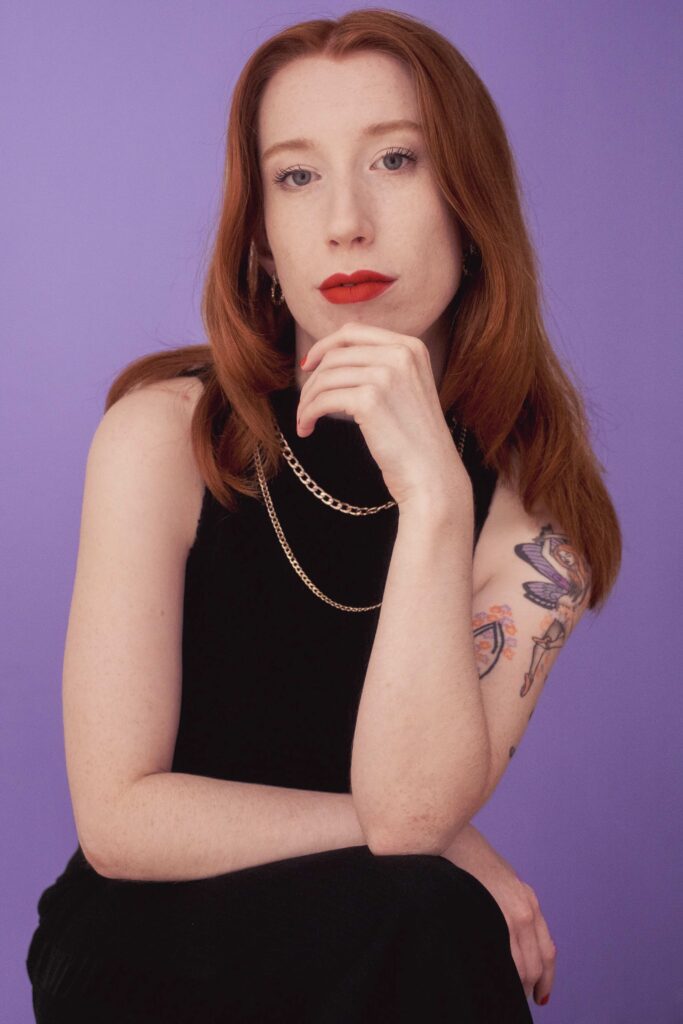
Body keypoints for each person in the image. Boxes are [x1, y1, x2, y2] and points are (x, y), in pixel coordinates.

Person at [25, 8, 622, 1022]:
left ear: (467, 204)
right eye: (295, 174)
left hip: (387, 927)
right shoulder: (163, 437)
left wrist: (433, 495)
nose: (344, 219)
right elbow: (120, 820)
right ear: (259, 233)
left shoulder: (534, 531)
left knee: (421, 911)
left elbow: (406, 817)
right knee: (430, 901)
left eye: (394, 159)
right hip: (147, 927)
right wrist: (455, 842)